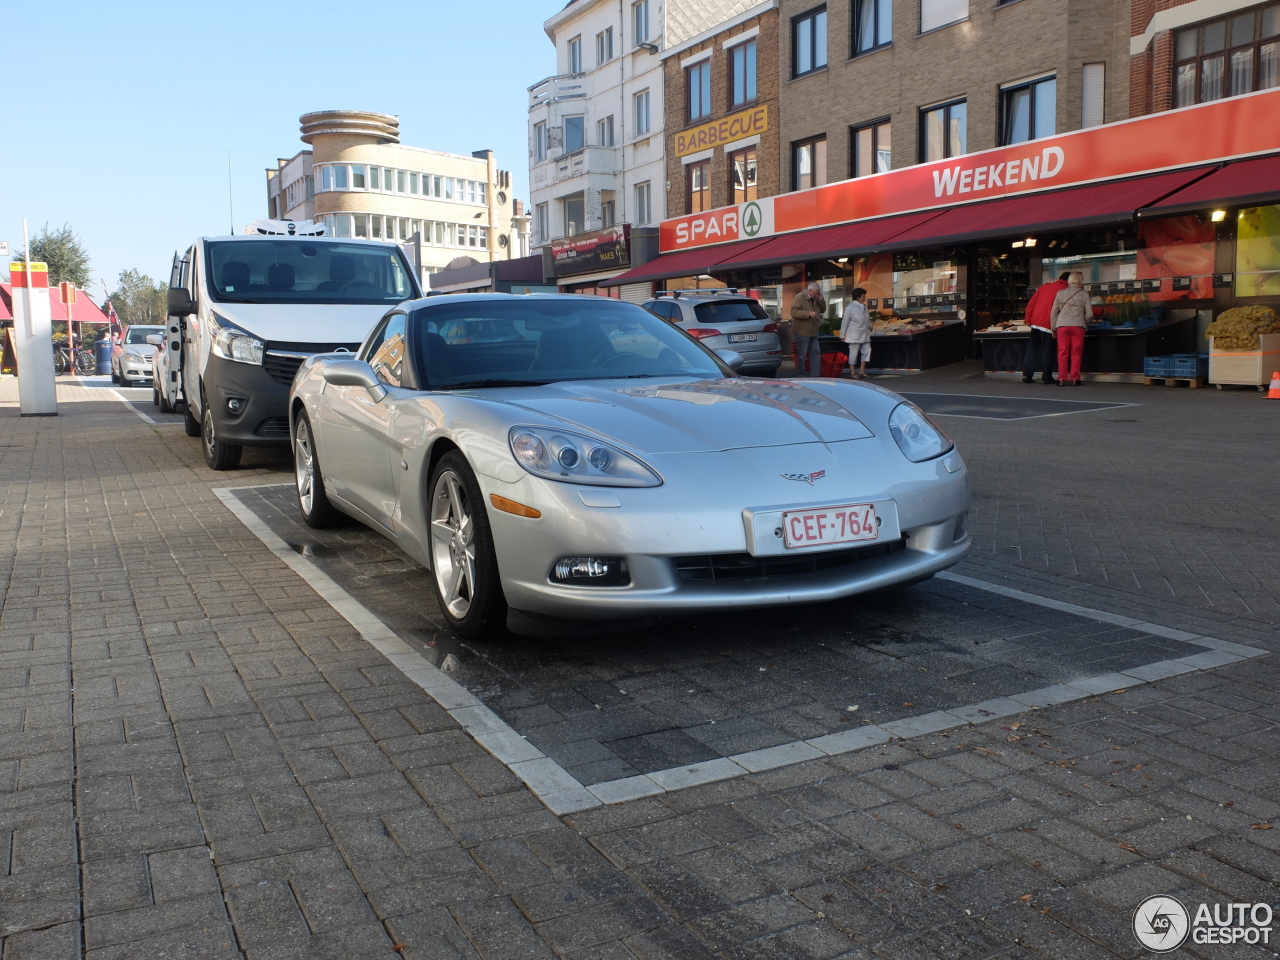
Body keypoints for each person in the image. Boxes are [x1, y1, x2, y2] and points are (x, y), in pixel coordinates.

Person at [1022, 272, 1068, 384]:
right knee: (1048, 351)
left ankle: (1027, 375)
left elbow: (1031, 304)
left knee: (1032, 350)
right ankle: (1046, 376)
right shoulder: (1066, 290)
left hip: (1036, 322)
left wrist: (1028, 319)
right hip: (1049, 324)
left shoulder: (1045, 287)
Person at [1049, 271, 1090, 386]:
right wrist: (1085, 323)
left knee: (1062, 353)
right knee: (1076, 353)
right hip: (1078, 326)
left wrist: (1053, 328)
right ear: (1080, 280)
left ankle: (1062, 378)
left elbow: (1053, 313)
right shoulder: (1084, 294)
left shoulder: (1060, 293)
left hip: (1062, 325)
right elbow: (1089, 314)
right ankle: (1075, 378)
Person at [789, 282, 826, 377]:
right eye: (816, 293)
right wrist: (807, 314)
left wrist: (821, 300)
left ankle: (815, 375)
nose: (817, 294)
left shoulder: (816, 298)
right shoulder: (799, 297)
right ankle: (801, 375)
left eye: (818, 293)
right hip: (802, 332)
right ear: (810, 291)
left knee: (816, 353)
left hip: (814, 331)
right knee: (802, 356)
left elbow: (822, 310)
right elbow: (794, 312)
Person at [839, 287, 872, 379]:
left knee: (867, 351)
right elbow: (844, 323)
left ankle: (862, 371)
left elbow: (867, 319)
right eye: (863, 295)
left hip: (865, 334)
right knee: (853, 354)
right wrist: (842, 335)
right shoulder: (849, 308)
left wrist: (870, 326)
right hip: (854, 335)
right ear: (858, 297)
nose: (865, 297)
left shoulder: (865, 307)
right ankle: (853, 373)